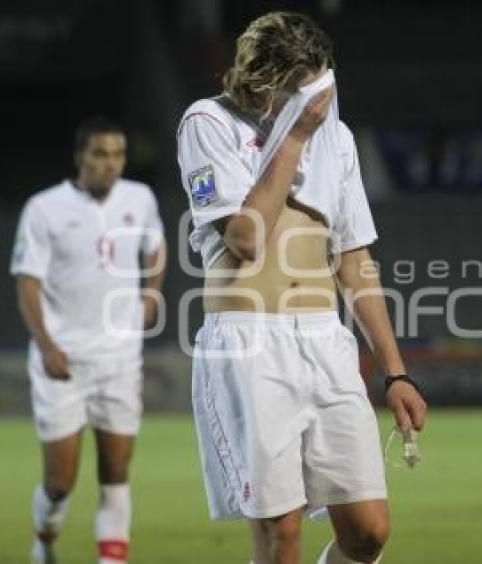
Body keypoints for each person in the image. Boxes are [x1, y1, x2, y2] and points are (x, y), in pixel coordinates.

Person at [176, 12, 426, 564]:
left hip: (324, 340)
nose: (311, 99)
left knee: (368, 533)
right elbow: (245, 238)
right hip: (249, 343)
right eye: (296, 87)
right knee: (280, 534)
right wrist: (292, 137)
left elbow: (355, 259)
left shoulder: (336, 139)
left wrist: (396, 371)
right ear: (261, 78)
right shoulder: (208, 123)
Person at [11, 116, 166, 564]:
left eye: (118, 155)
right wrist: (46, 346)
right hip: (64, 362)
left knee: (116, 472)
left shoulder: (140, 198)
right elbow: (27, 284)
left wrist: (151, 292)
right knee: (60, 482)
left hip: (120, 360)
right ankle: (44, 540)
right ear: (80, 156)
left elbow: (156, 245)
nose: (110, 164)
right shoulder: (44, 208)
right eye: (100, 154)